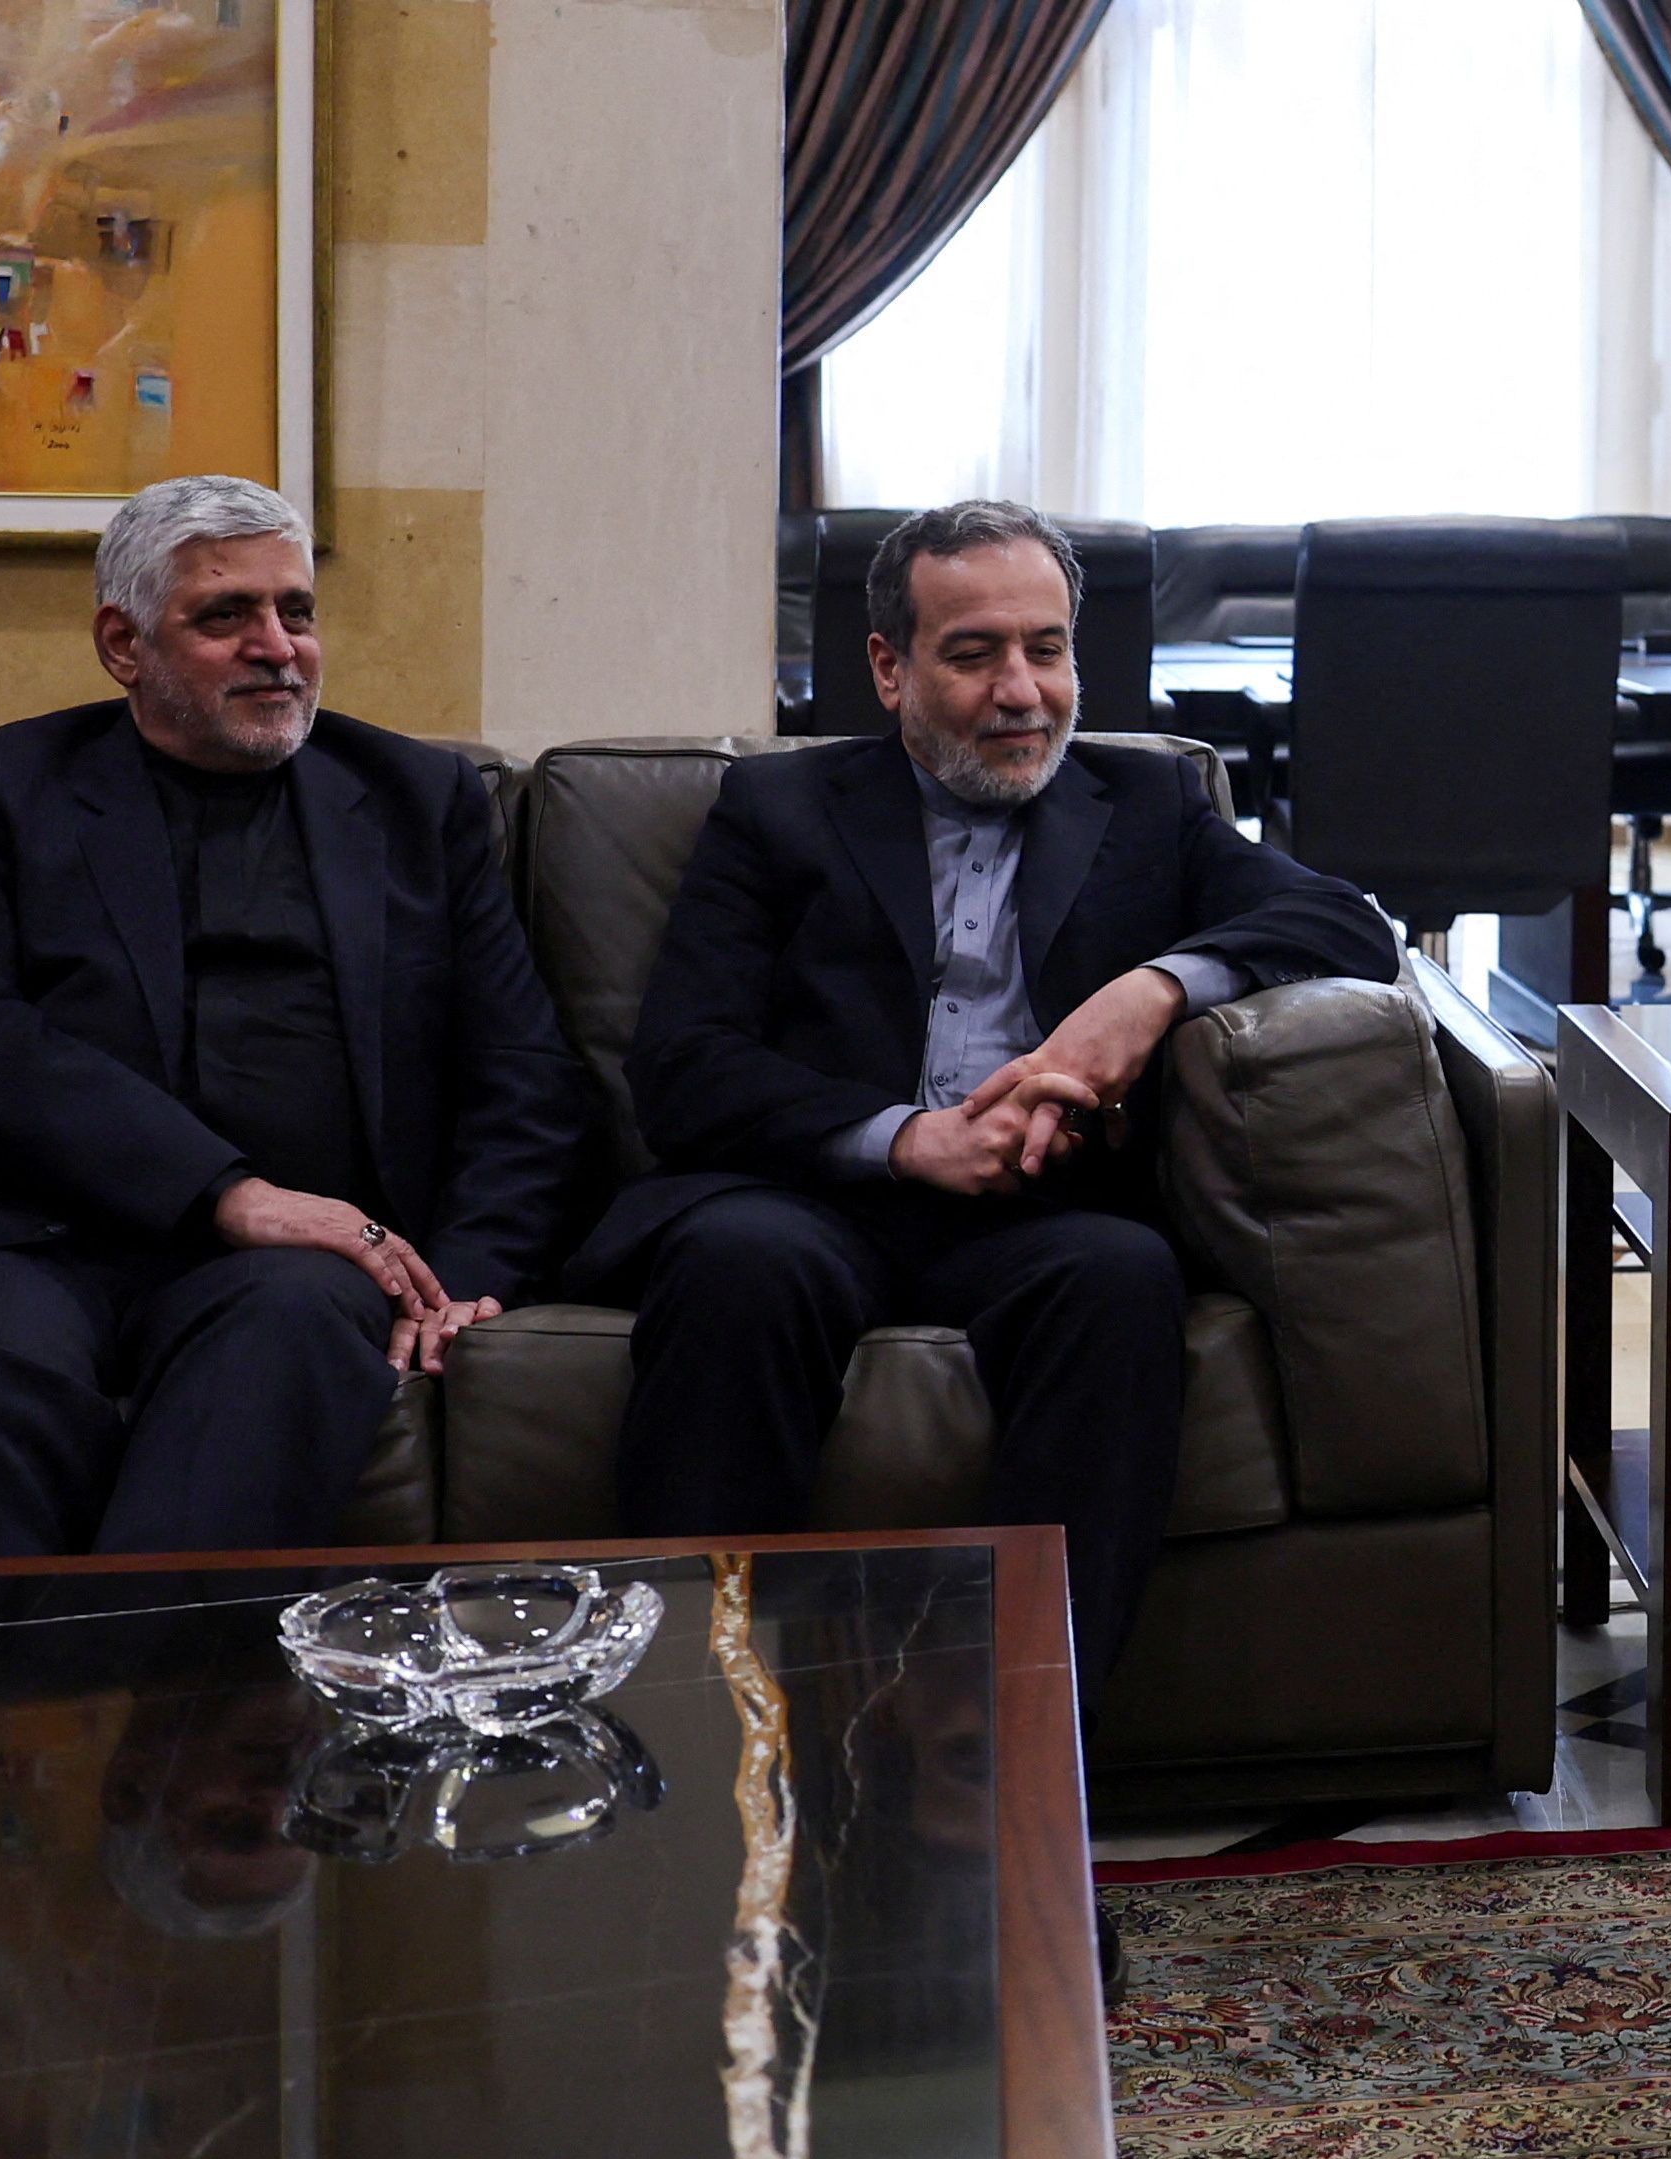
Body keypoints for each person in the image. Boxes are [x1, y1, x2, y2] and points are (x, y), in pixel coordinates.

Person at [574, 499, 1396, 1696]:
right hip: (812, 1195)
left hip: (1041, 1210)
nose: (1022, 691)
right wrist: (906, 1139)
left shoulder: (1149, 805)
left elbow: (1348, 924)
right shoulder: (780, 808)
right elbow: (683, 1062)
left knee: (1122, 1277)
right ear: (889, 667)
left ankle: (1021, 1736)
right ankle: (698, 1726)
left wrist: (1158, 988)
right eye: (974, 654)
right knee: (739, 1267)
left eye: (1045, 649)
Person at [0, 475, 586, 1558]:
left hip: (300, 1270)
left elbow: (521, 1069)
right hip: (38, 1238)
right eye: (225, 615)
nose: (278, 647)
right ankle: (3, 1677)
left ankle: (136, 1666)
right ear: (124, 644)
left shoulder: (417, 799)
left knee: (288, 1330)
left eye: (297, 611)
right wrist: (228, 1194)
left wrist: (459, 1276)